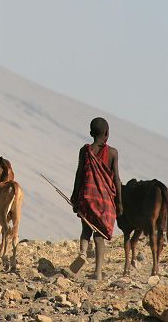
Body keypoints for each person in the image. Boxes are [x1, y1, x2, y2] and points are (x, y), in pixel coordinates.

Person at [70, 117, 123, 280]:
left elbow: (79, 175)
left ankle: (83, 253)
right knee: (99, 235)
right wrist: (119, 202)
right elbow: (116, 179)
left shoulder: (85, 151)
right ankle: (98, 273)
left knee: (86, 229)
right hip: (104, 202)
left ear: (91, 133)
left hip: (87, 196)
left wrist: (74, 196)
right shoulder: (113, 153)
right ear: (107, 133)